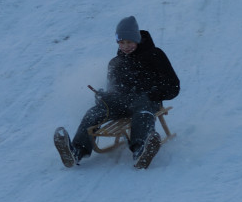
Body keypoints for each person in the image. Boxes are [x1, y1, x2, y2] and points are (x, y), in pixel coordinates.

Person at [54, 16, 180, 170]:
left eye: (129, 42)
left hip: (147, 99)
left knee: (143, 109)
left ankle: (140, 150)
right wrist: (103, 96)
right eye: (121, 42)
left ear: (137, 39)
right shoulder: (115, 63)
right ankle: (77, 151)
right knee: (95, 112)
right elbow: (113, 88)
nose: (125, 46)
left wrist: (155, 93)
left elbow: (173, 85)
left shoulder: (155, 55)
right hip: (121, 103)